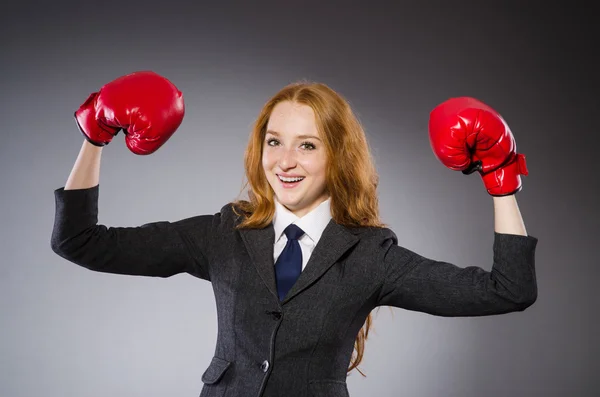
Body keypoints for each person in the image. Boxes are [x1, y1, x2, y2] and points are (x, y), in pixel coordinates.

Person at [51, 71, 538, 397]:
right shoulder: (227, 231)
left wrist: (501, 179)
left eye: (307, 145)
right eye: (274, 142)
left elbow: (508, 290)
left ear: (337, 156)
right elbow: (80, 241)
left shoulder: (371, 255)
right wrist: (94, 135)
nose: (285, 161)